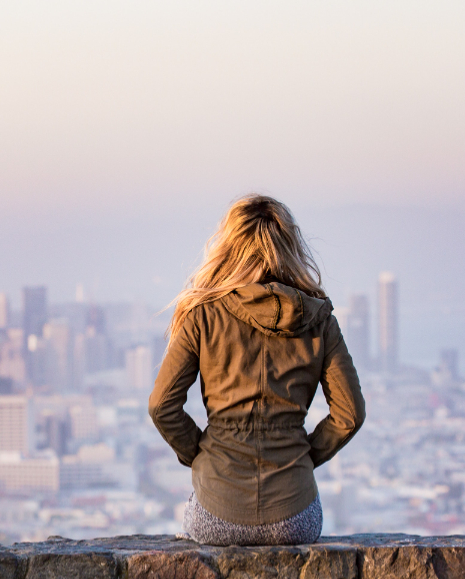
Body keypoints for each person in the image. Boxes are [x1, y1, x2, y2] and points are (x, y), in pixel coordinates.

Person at [149, 194, 365, 546]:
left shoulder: (202, 315)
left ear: (228, 247)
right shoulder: (320, 320)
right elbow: (350, 415)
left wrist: (201, 454)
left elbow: (161, 406)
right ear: (290, 246)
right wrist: (303, 456)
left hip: (216, 510)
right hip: (295, 515)